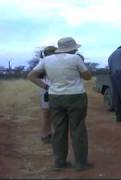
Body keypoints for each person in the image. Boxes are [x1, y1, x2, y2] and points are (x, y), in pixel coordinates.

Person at [28, 37, 92, 171]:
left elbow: (31, 76)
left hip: (55, 97)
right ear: (72, 48)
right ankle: (80, 163)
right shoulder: (75, 58)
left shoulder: (46, 60)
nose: (76, 50)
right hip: (75, 96)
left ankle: (59, 162)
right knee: (78, 129)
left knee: (59, 130)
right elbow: (87, 76)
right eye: (75, 48)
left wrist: (46, 87)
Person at [38, 46, 57, 144]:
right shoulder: (44, 61)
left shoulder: (50, 61)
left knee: (51, 114)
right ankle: (45, 135)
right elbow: (35, 75)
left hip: (53, 90)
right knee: (46, 114)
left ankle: (49, 134)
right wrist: (46, 87)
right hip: (46, 90)